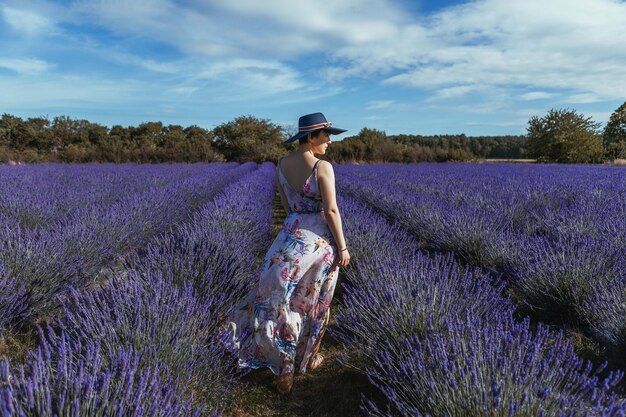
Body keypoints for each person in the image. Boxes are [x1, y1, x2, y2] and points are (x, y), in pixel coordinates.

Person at [224, 112, 351, 395]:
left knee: (277, 299)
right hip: (317, 242)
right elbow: (330, 210)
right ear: (311, 137)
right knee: (312, 302)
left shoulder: (280, 165)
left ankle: (281, 365)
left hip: (287, 238)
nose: (329, 141)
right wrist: (342, 247)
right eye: (326, 135)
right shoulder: (322, 167)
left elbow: (286, 204)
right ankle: (306, 359)